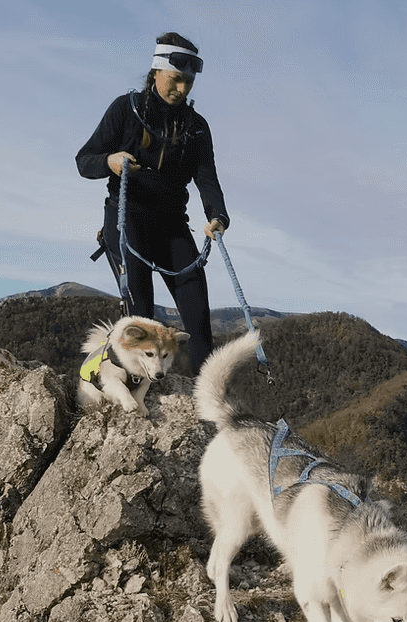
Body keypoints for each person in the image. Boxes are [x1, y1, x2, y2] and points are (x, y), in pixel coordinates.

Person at [76, 32, 229, 374]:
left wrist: (217, 216)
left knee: (198, 317)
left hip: (173, 226)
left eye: (189, 82)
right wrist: (110, 162)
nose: (184, 89)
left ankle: (208, 402)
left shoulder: (196, 127)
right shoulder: (125, 110)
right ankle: (134, 385)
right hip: (127, 218)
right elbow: (84, 160)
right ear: (157, 71)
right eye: (177, 79)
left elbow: (207, 177)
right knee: (140, 315)